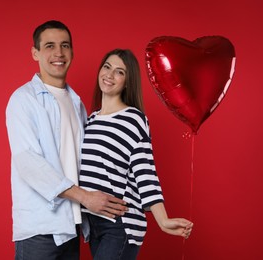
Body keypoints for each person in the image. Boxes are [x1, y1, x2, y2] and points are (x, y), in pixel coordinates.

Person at [6, 21, 128, 260]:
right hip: (39, 229)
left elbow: (89, 161)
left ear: (72, 52)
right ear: (35, 53)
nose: (59, 53)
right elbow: (28, 162)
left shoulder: (77, 103)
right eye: (49, 46)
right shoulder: (23, 99)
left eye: (65, 46)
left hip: (72, 226)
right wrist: (85, 197)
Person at [79, 49, 194, 260]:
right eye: (107, 67)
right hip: (93, 223)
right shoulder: (92, 119)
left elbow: (145, 172)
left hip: (120, 224)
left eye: (119, 72)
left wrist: (163, 220)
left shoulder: (134, 119)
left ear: (127, 81)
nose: (110, 75)